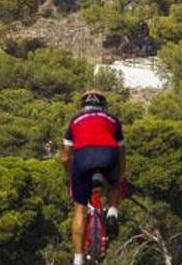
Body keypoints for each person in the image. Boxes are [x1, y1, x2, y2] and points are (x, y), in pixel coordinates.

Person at [60, 90, 126, 265]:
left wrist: (70, 176)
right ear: (103, 106)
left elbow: (65, 157)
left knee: (80, 209)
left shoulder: (74, 121)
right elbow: (121, 154)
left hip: (82, 159)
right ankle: (112, 211)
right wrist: (120, 175)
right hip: (108, 156)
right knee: (116, 181)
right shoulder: (113, 120)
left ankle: (78, 257)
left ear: (83, 106)